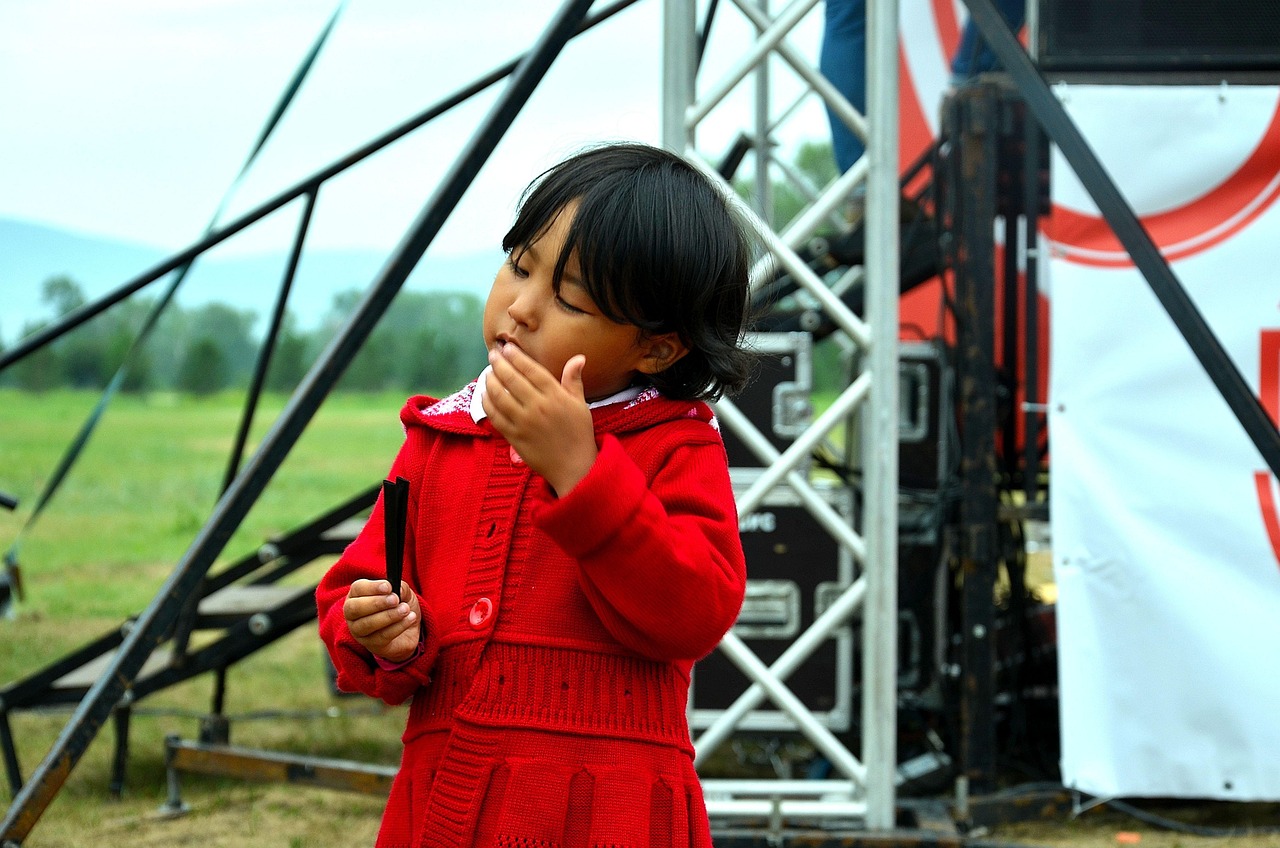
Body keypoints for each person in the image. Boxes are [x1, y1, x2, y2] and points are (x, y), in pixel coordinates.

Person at [316, 142, 756, 848]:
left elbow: (697, 611)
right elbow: (359, 590)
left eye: (570, 299)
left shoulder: (675, 444)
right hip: (448, 798)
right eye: (519, 265)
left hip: (608, 809)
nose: (519, 308)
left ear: (657, 350)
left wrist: (580, 471)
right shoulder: (443, 435)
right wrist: (383, 631)